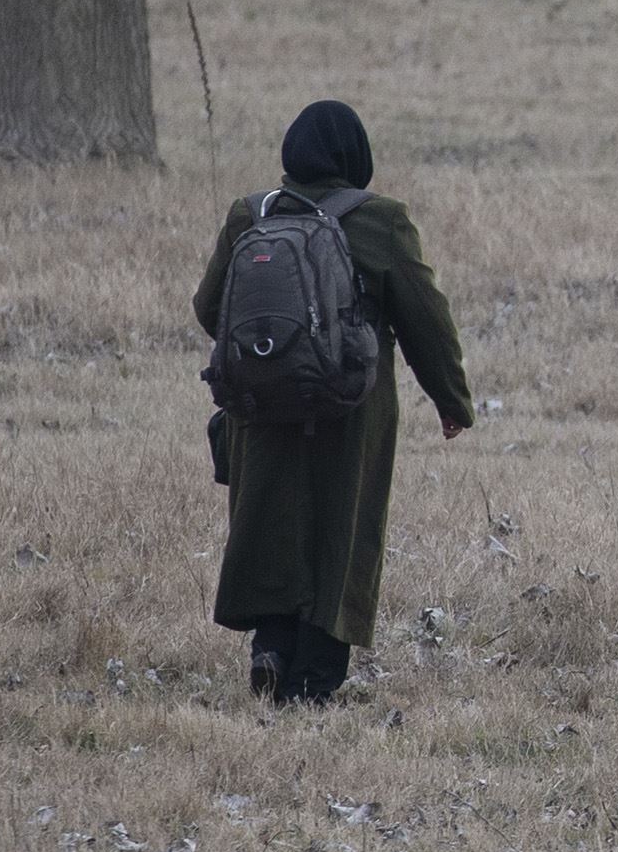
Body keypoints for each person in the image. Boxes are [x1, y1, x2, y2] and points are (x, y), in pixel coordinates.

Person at [195, 100, 473, 705]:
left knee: (266, 520)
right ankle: (315, 678)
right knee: (341, 530)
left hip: (261, 401)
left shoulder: (253, 214)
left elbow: (207, 308)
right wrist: (451, 400)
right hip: (353, 406)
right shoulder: (383, 222)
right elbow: (427, 320)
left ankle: (269, 644)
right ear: (357, 158)